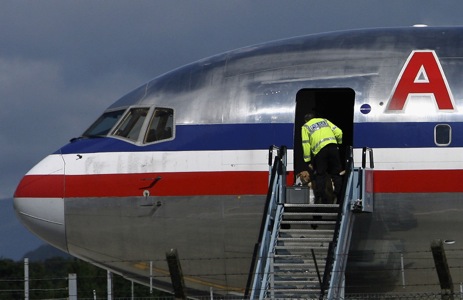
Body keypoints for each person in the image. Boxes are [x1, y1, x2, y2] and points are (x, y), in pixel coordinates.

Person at [301, 112, 343, 204]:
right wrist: (338, 144)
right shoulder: (325, 121)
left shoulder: (305, 126)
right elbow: (339, 132)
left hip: (320, 151)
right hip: (333, 148)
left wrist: (307, 160)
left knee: (320, 175)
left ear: (306, 120)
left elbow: (305, 143)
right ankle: (340, 197)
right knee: (336, 174)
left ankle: (322, 199)